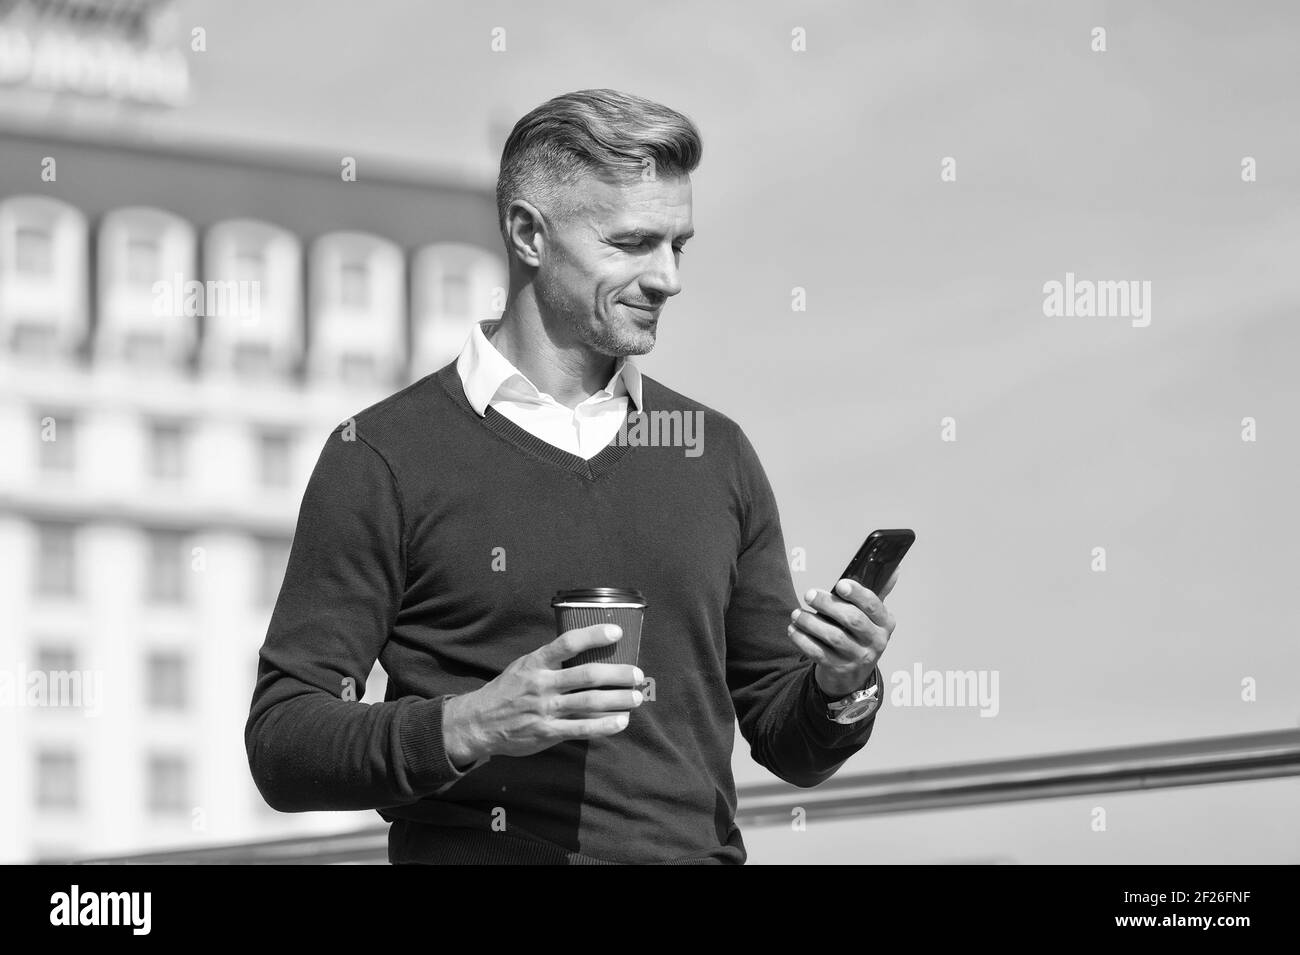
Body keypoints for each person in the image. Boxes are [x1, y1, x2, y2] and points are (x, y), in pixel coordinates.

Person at [245, 88, 899, 865]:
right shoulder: (381, 456)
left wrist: (840, 682)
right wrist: (476, 720)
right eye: (632, 244)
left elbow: (790, 742)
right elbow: (284, 740)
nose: (668, 278)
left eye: (677, 245)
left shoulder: (715, 454)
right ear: (528, 233)